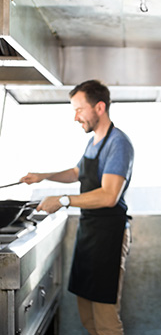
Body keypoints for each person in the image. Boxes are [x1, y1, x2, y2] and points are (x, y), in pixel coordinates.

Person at [20, 80, 134, 335]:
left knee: (105, 319)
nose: (75, 117)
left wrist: (62, 201)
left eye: (79, 109)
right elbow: (77, 172)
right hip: (90, 232)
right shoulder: (94, 141)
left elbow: (109, 196)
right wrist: (43, 175)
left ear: (100, 107)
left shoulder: (118, 143)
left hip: (109, 236)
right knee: (87, 315)